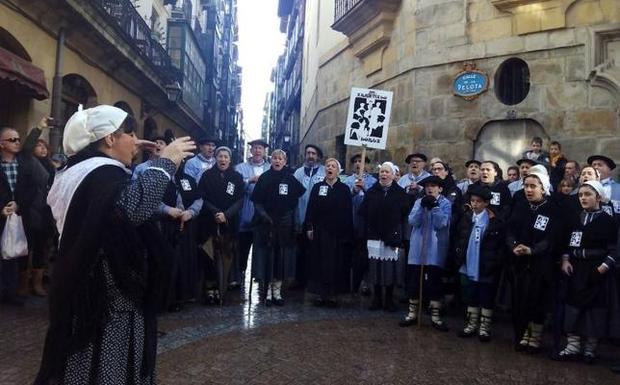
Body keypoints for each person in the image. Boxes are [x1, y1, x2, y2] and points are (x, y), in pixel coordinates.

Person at [35, 105, 195, 384]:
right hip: (105, 294)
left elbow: (113, 207)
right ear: (109, 138)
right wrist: (165, 162)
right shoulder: (101, 174)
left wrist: (134, 148)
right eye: (130, 133)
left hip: (82, 285)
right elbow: (132, 207)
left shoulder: (79, 171)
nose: (136, 140)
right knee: (107, 367)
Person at [553, 180, 619, 363]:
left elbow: (614, 249)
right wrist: (565, 260)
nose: (583, 198)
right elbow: (566, 242)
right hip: (575, 268)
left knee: (594, 310)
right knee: (573, 306)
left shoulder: (608, 221)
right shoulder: (575, 218)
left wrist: (603, 268)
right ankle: (573, 345)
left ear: (598, 197)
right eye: (581, 195)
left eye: (588, 194)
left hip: (597, 269)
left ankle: (590, 348)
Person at [506, 166, 561, 354]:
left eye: (533, 186)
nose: (528, 190)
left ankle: (534, 336)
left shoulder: (552, 208)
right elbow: (510, 229)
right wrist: (513, 245)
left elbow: (552, 237)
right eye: (526, 186)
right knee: (519, 301)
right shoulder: (521, 205)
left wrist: (533, 250)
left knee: (537, 301)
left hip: (540, 264)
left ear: (543, 188)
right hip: (519, 261)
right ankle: (520, 335)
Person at [0, 117, 51, 305]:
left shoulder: (23, 160)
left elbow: (29, 189)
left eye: (18, 139)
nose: (17, 142)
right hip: (2, 216)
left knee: (17, 253)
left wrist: (19, 205)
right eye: (12, 140)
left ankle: (12, 292)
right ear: (2, 144)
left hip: (23, 215)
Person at [251, 149, 305, 306]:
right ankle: (267, 291)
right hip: (266, 225)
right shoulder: (264, 178)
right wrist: (263, 215)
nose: (277, 161)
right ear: (271, 160)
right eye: (274, 158)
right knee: (267, 258)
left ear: (285, 161)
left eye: (280, 158)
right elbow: (257, 201)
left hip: (285, 226)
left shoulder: (291, 179)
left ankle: (277, 291)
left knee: (281, 260)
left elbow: (295, 203)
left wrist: (295, 222)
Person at [399, 175, 452, 330]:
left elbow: (441, 223)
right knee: (414, 282)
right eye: (428, 186)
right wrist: (422, 207)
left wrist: (435, 207)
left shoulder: (445, 203)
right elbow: (413, 221)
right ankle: (412, 314)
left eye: (434, 186)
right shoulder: (418, 202)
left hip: (435, 250)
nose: (430, 188)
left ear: (440, 188)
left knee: (434, 284)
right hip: (418, 249)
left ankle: (435, 317)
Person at [454, 185, 506, 341]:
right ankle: (471, 324)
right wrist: (458, 254)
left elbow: (499, 246)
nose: (475, 204)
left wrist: (494, 262)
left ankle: (484, 327)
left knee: (486, 296)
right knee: (471, 295)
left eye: (478, 201)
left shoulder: (494, 221)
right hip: (468, 260)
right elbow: (460, 237)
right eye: (473, 201)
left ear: (486, 203)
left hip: (485, 263)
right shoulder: (467, 217)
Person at [198, 146, 244, 305]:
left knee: (226, 256)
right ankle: (210, 289)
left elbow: (240, 201)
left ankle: (222, 289)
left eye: (226, 157)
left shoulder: (237, 177)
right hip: (209, 222)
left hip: (228, 224)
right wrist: (216, 212)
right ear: (215, 158)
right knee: (209, 256)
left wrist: (226, 215)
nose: (223, 159)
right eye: (220, 156)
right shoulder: (206, 176)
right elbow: (202, 198)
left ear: (230, 160)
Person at [360, 162, 409, 312]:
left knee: (389, 269)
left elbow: (405, 216)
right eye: (382, 171)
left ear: (394, 175)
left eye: (387, 172)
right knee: (375, 268)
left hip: (392, 235)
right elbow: (363, 213)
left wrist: (401, 236)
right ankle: (377, 298)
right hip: (374, 235)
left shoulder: (400, 193)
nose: (384, 174)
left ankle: (388, 298)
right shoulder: (372, 192)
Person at [305, 158, 353, 307]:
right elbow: (311, 208)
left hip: (338, 233)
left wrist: (347, 232)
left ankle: (333, 294)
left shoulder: (344, 189)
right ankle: (320, 294)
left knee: (336, 263)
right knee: (320, 262)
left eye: (333, 166)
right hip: (321, 232)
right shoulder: (318, 187)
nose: (330, 168)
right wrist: (309, 227)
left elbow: (348, 212)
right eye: (328, 166)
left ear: (338, 171)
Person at [233, 139, 270, 287]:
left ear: (264, 151)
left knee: (262, 247)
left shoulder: (270, 167)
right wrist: (250, 180)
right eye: (255, 148)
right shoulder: (240, 168)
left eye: (260, 148)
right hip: (246, 212)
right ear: (251, 150)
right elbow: (236, 185)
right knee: (243, 246)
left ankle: (261, 276)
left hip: (264, 213)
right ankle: (240, 273)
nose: (257, 151)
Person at [344, 153, 377, 295]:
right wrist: (354, 191)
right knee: (351, 254)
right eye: (356, 161)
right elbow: (344, 199)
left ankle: (365, 281)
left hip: (367, 223)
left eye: (361, 161)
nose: (359, 164)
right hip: (351, 220)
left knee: (366, 254)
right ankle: (350, 282)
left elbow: (375, 199)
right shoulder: (347, 181)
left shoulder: (373, 181)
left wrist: (364, 189)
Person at [294, 144, 326, 287]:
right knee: (300, 250)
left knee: (316, 251)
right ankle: (299, 280)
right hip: (300, 216)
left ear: (318, 156)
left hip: (318, 219)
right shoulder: (298, 173)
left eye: (313, 153)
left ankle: (314, 280)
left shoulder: (325, 172)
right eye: (308, 153)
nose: (311, 156)